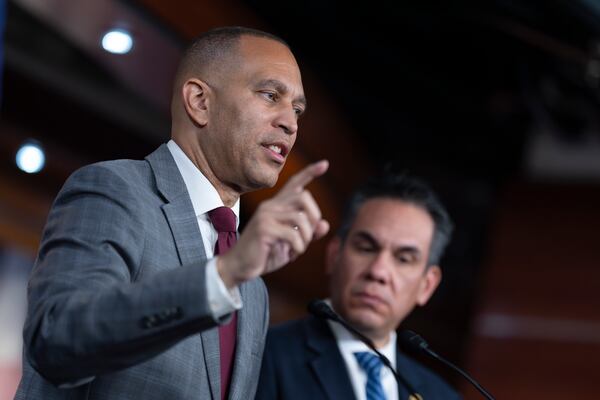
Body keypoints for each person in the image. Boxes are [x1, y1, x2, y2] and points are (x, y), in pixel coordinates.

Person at [14, 26, 329, 400]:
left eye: (297, 110)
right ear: (199, 101)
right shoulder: (115, 190)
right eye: (270, 95)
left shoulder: (253, 287)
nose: (290, 123)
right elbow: (57, 340)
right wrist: (223, 275)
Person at [256, 174, 462, 400]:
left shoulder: (442, 396)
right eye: (365, 248)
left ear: (427, 285)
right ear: (334, 255)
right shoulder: (264, 355)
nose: (378, 272)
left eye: (403, 259)